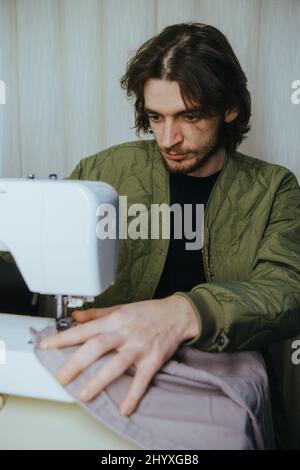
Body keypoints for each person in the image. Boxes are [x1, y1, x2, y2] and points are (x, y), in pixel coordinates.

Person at [3, 23, 300, 419]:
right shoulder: (104, 169)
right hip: (109, 369)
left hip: (215, 386)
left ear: (230, 108)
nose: (167, 138)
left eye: (188, 116)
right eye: (155, 117)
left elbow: (286, 290)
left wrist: (185, 312)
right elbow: (32, 244)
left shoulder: (274, 189)